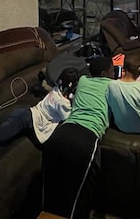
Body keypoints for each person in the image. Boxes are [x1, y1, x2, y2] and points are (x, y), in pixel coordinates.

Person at [41, 55, 115, 219]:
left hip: (61, 133)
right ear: (104, 73)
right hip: (86, 137)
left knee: (51, 192)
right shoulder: (113, 86)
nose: (114, 73)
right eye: (112, 70)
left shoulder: (82, 81)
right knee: (79, 198)